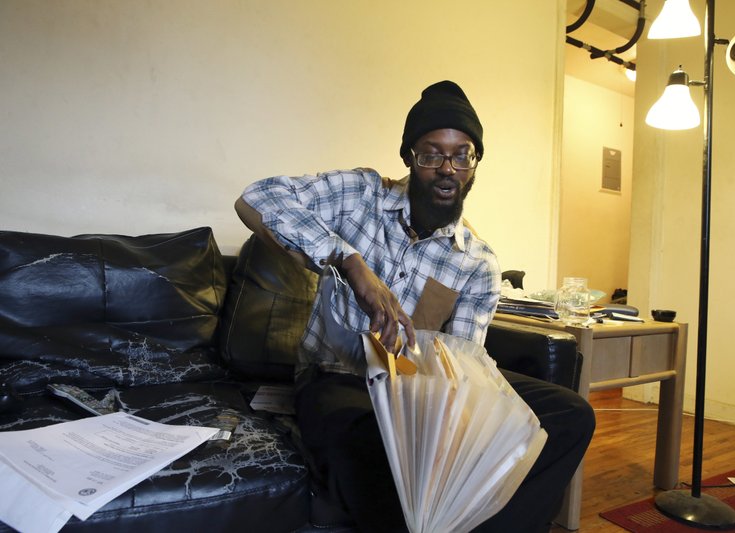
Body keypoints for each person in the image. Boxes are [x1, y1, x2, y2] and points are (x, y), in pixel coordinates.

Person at [235, 80, 595, 532]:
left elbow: (463, 363)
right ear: (409, 156)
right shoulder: (361, 195)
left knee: (570, 414)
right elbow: (257, 197)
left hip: (420, 386)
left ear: (474, 163)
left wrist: (462, 420)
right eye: (432, 153)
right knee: (371, 441)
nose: (448, 168)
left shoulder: (477, 262)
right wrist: (349, 261)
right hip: (338, 376)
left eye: (462, 154)